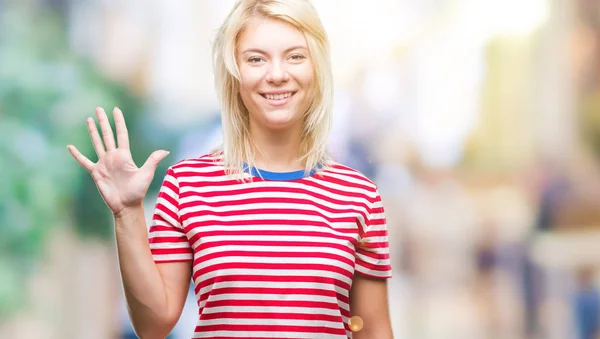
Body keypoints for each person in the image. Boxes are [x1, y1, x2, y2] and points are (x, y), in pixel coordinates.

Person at [67, 0, 393, 338]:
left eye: (295, 56)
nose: (277, 74)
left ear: (317, 68)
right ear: (233, 74)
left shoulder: (358, 196)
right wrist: (127, 213)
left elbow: (373, 331)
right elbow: (154, 324)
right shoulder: (187, 184)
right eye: (256, 59)